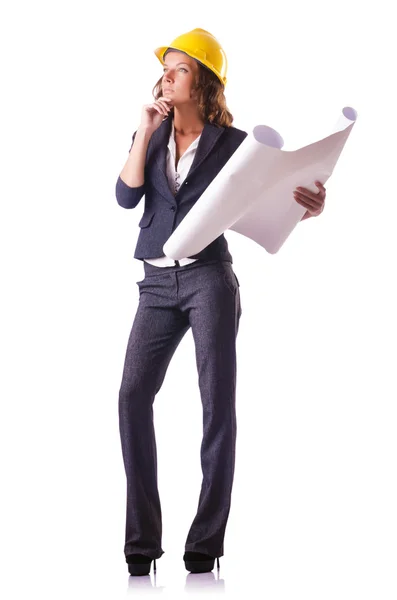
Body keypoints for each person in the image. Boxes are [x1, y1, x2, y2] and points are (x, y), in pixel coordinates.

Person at [115, 28, 326, 577]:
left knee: (216, 407)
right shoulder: (151, 135)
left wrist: (309, 203)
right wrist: (144, 130)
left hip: (209, 278)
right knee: (132, 395)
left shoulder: (230, 143)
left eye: (180, 69)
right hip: (156, 284)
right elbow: (126, 195)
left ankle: (205, 542)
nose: (168, 75)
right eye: (166, 67)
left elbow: (276, 193)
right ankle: (142, 540)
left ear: (203, 83)